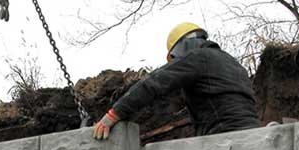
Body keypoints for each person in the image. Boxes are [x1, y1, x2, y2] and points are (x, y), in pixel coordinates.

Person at [94, 22, 261, 140]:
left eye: (174, 58)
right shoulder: (234, 65)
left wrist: (115, 113)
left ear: (181, 47)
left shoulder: (197, 57)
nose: (175, 61)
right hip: (252, 135)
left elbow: (154, 83)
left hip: (224, 139)